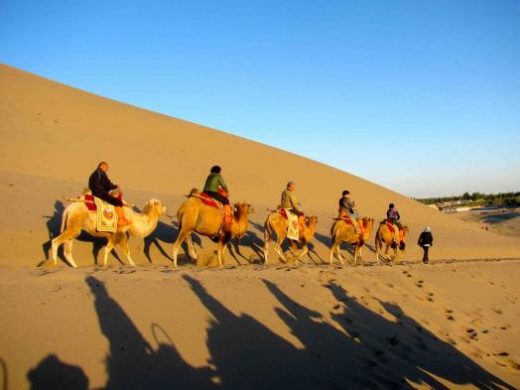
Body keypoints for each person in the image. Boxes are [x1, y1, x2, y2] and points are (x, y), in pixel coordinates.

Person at [88, 161, 130, 227]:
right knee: (118, 202)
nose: (107, 169)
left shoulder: (95, 174)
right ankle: (120, 221)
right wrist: (116, 186)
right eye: (106, 167)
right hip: (101, 194)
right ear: (102, 166)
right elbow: (108, 184)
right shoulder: (101, 173)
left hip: (96, 192)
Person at [203, 165, 232, 230]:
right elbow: (223, 184)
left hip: (205, 191)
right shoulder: (218, 176)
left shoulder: (209, 175)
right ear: (218, 171)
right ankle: (227, 218)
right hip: (212, 192)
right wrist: (226, 190)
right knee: (226, 201)